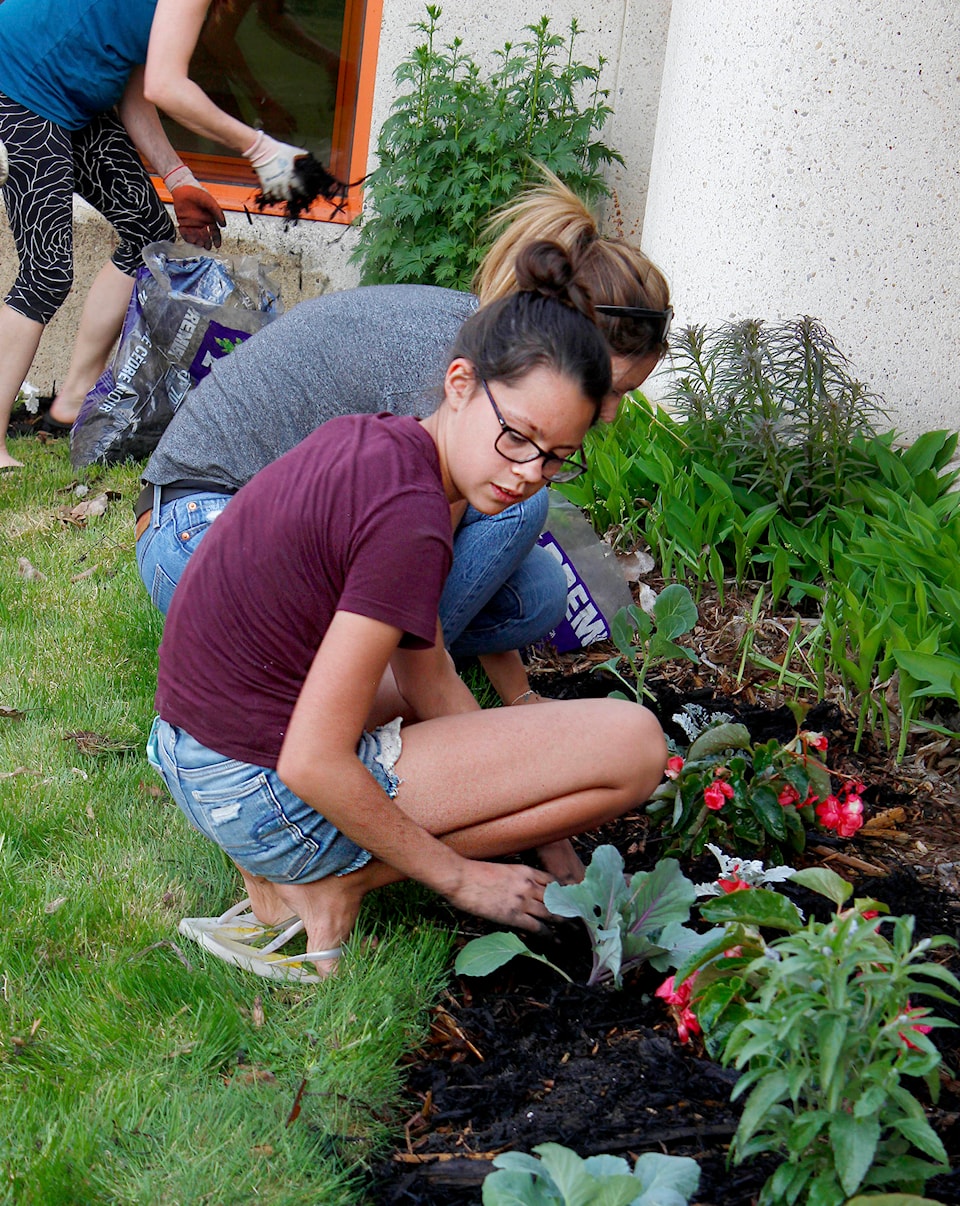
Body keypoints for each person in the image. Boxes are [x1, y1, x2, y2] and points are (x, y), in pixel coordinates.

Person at [147, 241, 669, 982]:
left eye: (555, 458)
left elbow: (429, 680)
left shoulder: (387, 445)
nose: (528, 475)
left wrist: (553, 827)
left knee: (454, 706)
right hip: (261, 787)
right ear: (460, 382)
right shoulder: (413, 520)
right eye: (516, 437)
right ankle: (332, 881)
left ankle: (286, 871)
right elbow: (310, 758)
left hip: (194, 752)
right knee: (635, 746)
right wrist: (461, 876)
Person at [135, 169, 673, 706]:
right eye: (610, 387)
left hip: (283, 536)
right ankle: (370, 697)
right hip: (197, 530)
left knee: (538, 594)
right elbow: (414, 557)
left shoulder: (496, 351)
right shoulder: (457, 367)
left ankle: (380, 677)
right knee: (517, 513)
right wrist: (438, 694)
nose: (610, 412)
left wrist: (521, 698)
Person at [0, 0, 316, 468]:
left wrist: (178, 177)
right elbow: (167, 85)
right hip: (18, 89)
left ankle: (71, 401)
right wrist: (259, 146)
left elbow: (136, 86)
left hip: (74, 102)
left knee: (146, 237)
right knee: (47, 271)